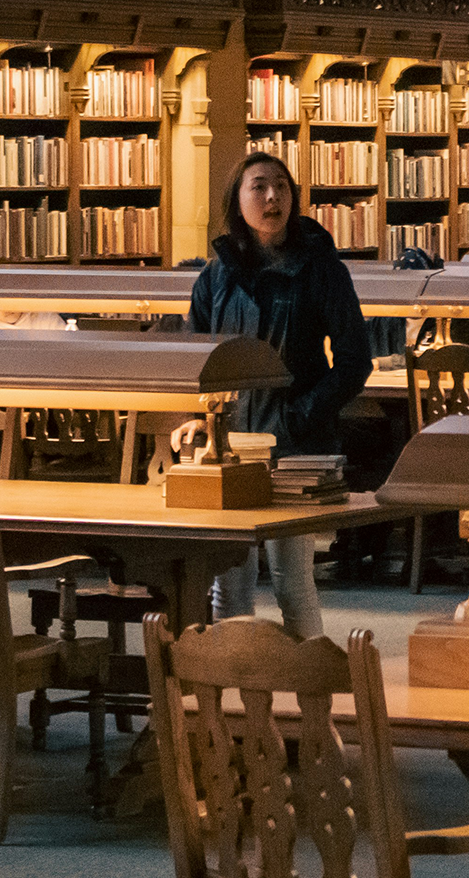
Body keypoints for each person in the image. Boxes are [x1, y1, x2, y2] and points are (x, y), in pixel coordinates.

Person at [185, 153, 371, 638]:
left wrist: (297, 419)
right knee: (230, 583)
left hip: (294, 450)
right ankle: (233, 694)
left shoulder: (322, 271)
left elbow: (355, 361)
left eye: (282, 187)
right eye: (260, 187)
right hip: (228, 449)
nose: (273, 198)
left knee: (293, 581)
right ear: (237, 201)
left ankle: (315, 697)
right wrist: (197, 420)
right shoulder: (214, 278)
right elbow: (194, 361)